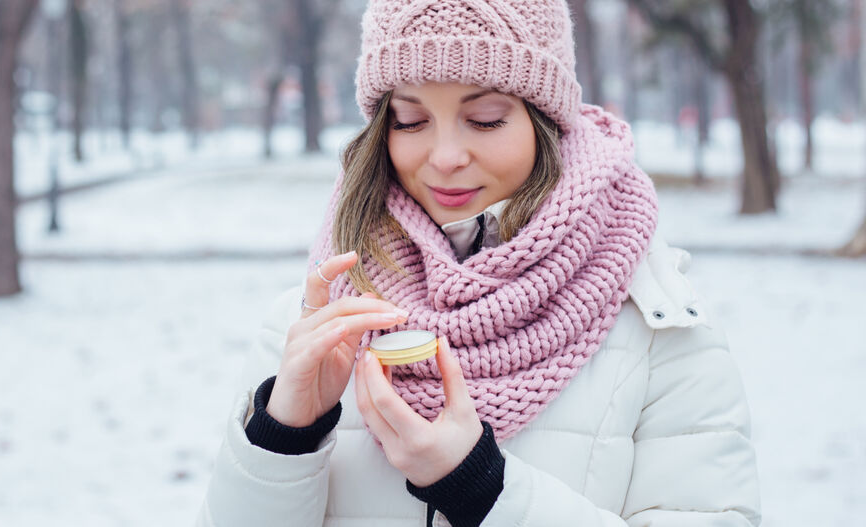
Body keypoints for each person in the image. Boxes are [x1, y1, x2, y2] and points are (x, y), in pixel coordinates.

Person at [196, 1, 761, 526]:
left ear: (545, 121)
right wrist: (283, 436)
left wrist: (483, 489)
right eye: (410, 121)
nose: (444, 158)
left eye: (486, 118)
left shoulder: (657, 328)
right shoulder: (316, 319)